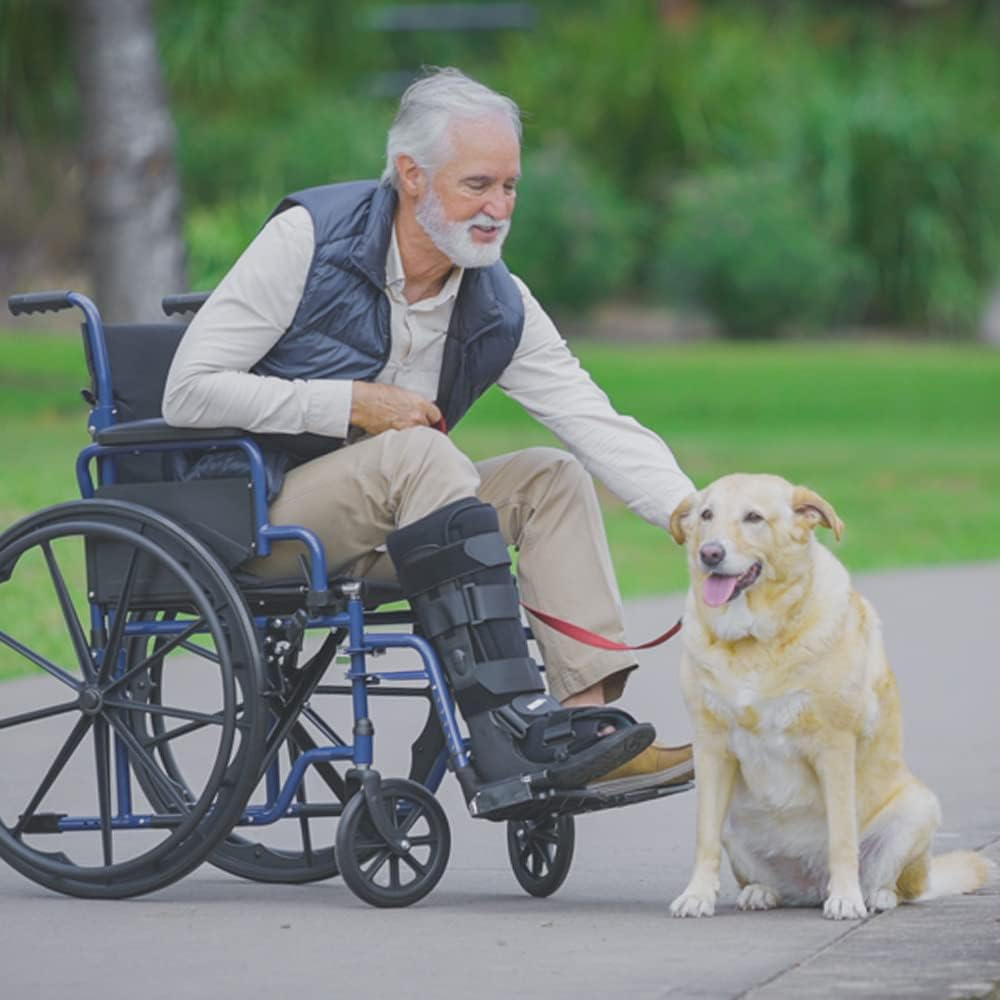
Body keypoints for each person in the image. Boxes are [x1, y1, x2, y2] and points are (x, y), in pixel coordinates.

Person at [163, 67, 695, 801]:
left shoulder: (498, 298)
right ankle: (505, 725)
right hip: (257, 512)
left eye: (510, 187)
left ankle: (581, 729)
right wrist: (351, 403)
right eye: (477, 184)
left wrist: (691, 515)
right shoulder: (307, 240)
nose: (497, 208)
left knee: (550, 476)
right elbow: (187, 390)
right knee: (418, 451)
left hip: (405, 520)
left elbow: (588, 415)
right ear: (412, 176)